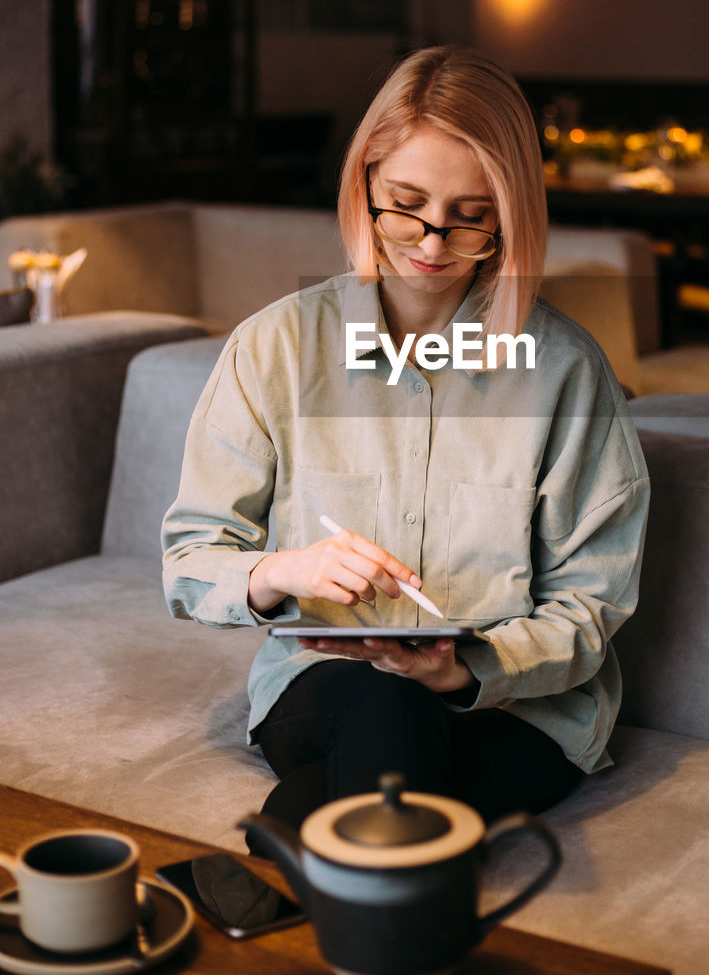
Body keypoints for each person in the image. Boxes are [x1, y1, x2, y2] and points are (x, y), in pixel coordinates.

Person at [162, 45, 649, 829]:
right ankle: (377, 885)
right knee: (385, 710)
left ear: (510, 213)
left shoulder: (564, 372)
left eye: (470, 218)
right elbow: (191, 561)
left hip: (514, 709)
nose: (429, 244)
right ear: (364, 183)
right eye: (406, 204)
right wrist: (286, 568)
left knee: (367, 768)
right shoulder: (276, 348)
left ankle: (299, 843)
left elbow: (591, 606)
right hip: (329, 692)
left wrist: (462, 670)